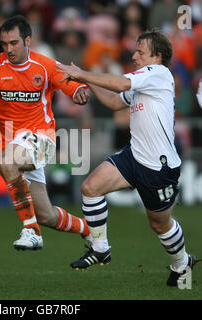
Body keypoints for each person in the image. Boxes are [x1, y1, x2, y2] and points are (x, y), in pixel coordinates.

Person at [58, 28, 199, 287]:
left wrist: (81, 73)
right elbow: (114, 102)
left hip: (159, 167)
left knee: (159, 224)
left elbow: (121, 83)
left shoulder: (159, 74)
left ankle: (182, 262)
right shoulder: (145, 79)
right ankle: (100, 248)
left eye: (140, 52)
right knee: (90, 188)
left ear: (157, 56)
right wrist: (87, 80)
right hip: (134, 156)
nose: (134, 56)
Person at [0, 15, 91, 251]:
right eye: (4, 44)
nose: (9, 49)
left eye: (14, 43)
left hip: (41, 137)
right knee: (47, 216)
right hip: (13, 143)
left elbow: (72, 85)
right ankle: (90, 230)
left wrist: (79, 92)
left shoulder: (45, 66)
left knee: (6, 161)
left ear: (28, 41)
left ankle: (31, 231)